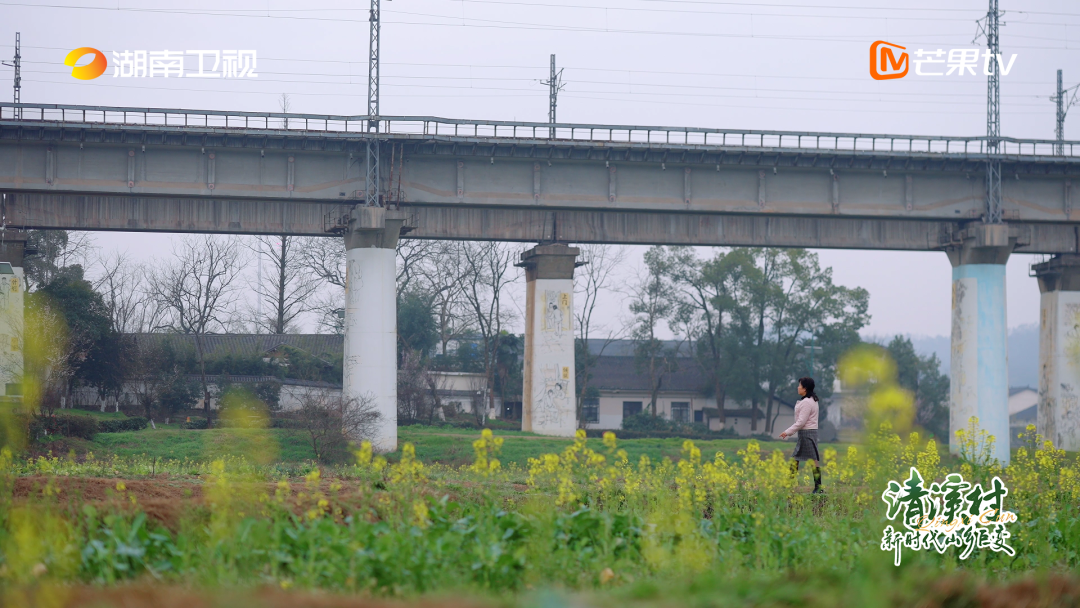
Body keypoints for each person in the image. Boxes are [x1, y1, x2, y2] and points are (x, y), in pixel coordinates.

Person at [779, 377, 823, 494]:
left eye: (800, 385)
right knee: (797, 458)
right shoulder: (811, 400)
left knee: (812, 459)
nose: (798, 387)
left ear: (805, 388)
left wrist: (787, 432)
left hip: (807, 433)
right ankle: (789, 484)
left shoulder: (807, 403)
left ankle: (818, 487)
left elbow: (801, 422)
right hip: (808, 432)